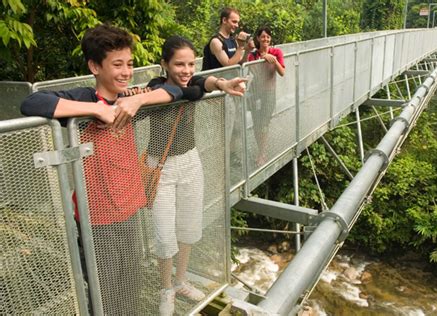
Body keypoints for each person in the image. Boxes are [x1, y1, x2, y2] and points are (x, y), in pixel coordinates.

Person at [20, 23, 184, 315]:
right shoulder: (84, 99)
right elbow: (32, 102)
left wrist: (139, 99)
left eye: (130, 64)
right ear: (95, 66)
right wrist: (97, 110)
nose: (126, 72)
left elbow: (177, 89)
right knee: (104, 294)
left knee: (130, 286)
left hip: (130, 208)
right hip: (96, 218)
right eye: (117, 64)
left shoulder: (130, 98)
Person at [143, 35, 246, 316]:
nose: (186, 70)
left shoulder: (193, 82)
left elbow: (205, 82)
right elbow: (172, 93)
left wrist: (222, 84)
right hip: (161, 167)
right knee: (164, 233)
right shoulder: (155, 87)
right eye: (179, 64)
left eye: (190, 64)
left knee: (189, 224)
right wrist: (201, 88)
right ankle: (166, 289)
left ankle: (180, 281)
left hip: (190, 162)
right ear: (164, 64)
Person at [247, 26, 285, 166]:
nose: (265, 39)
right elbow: (254, 72)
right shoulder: (253, 55)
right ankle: (261, 150)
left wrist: (274, 61)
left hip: (269, 93)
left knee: (263, 124)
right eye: (263, 36)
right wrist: (262, 59)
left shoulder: (276, 52)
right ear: (258, 38)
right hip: (256, 93)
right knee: (257, 124)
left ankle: (262, 154)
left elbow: (282, 73)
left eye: (268, 37)